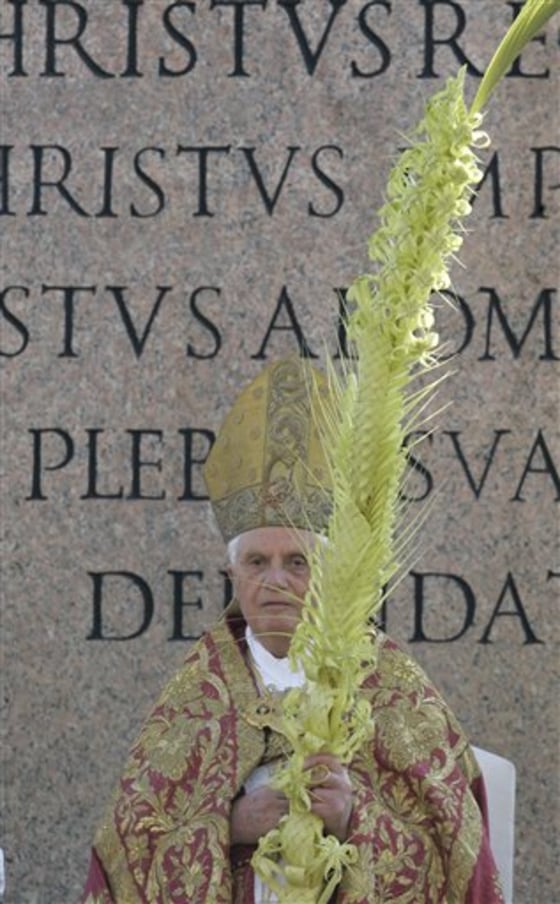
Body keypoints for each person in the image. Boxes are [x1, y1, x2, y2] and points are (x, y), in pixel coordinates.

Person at [82, 359, 504, 903]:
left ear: (328, 572)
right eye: (257, 562)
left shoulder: (392, 686)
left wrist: (355, 818)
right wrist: (226, 828)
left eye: (297, 562)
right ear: (232, 574)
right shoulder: (195, 697)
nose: (275, 581)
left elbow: (457, 860)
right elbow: (126, 856)